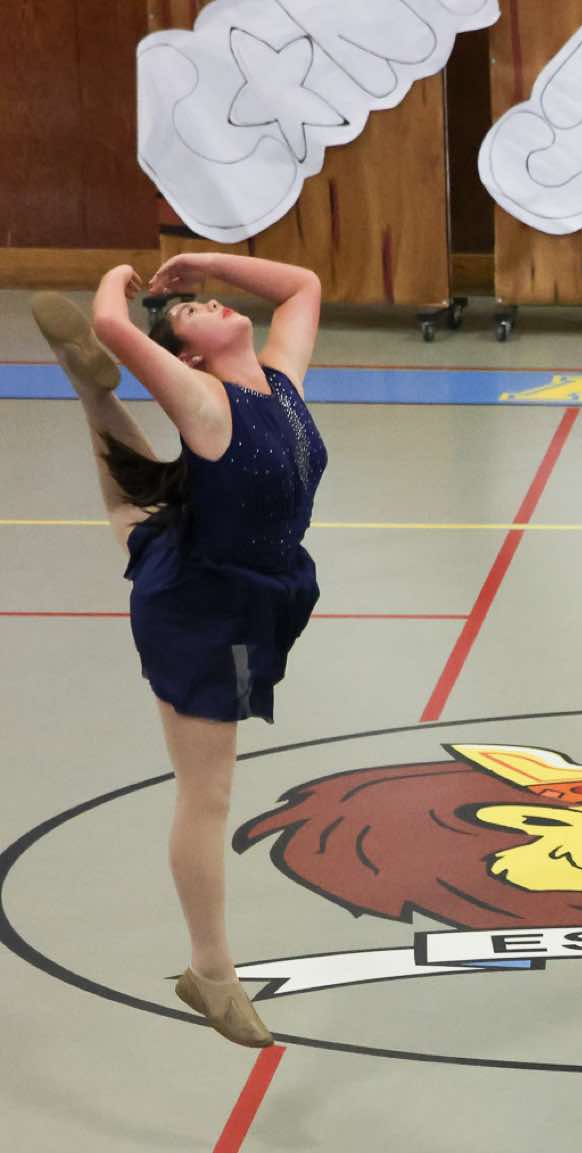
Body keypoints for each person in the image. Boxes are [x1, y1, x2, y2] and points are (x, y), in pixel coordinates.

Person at [30, 251, 329, 1046]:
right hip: (205, 610)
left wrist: (200, 260)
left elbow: (303, 286)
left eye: (208, 299)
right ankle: (211, 973)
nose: (213, 303)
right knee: (208, 792)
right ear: (188, 356)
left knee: (142, 506)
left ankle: (91, 391)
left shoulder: (282, 379)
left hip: (248, 577)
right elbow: (110, 321)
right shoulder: (202, 399)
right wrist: (120, 277)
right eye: (195, 312)